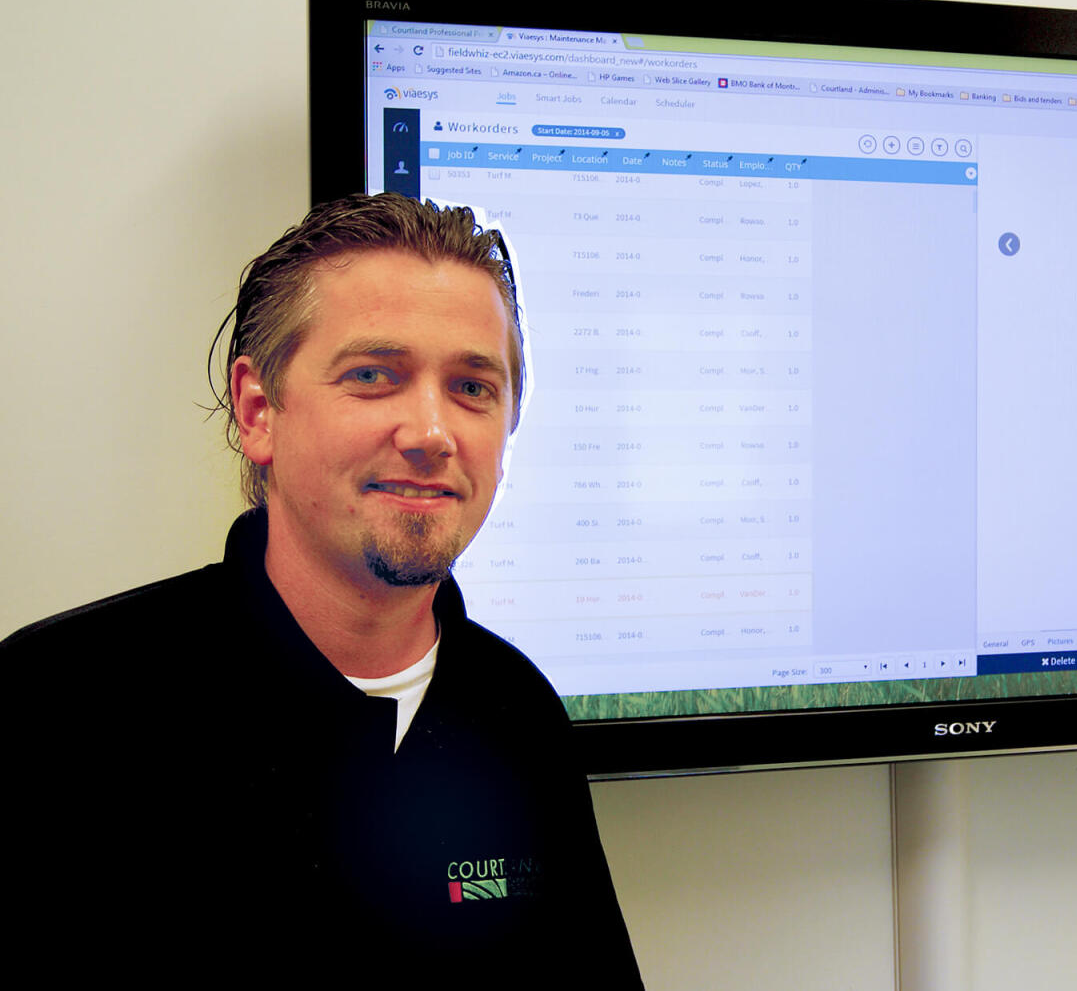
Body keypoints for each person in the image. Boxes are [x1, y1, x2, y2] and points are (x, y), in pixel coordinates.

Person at [0, 194, 645, 980]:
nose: (432, 434)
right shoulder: (58, 702)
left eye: (474, 387)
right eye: (374, 375)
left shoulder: (520, 715)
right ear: (258, 409)